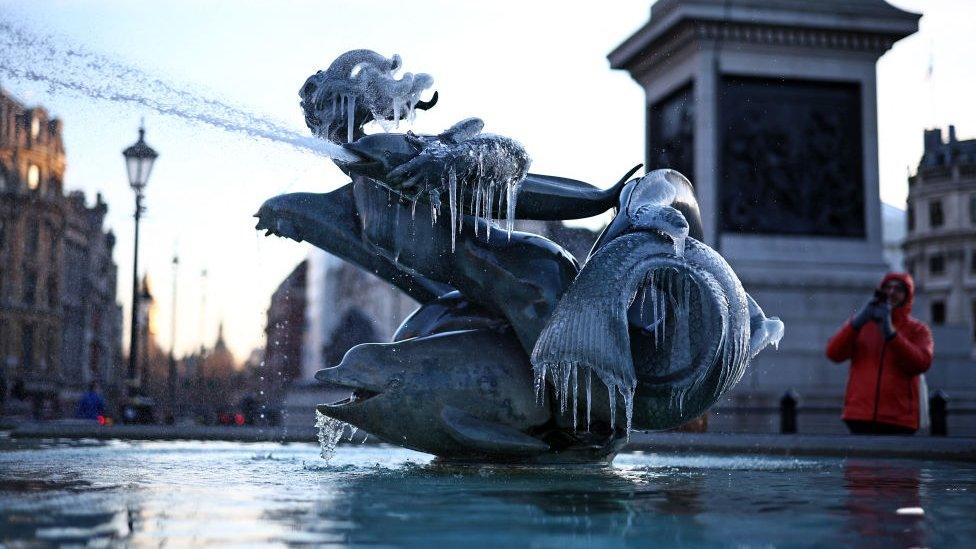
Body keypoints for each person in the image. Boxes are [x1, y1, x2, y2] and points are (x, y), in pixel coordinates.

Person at [826, 273, 933, 435]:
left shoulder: (918, 330)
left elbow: (921, 363)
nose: (891, 292)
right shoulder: (862, 325)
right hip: (859, 416)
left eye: (898, 289)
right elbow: (833, 353)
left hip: (899, 418)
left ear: (907, 296)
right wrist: (856, 322)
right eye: (887, 288)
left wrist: (892, 335)